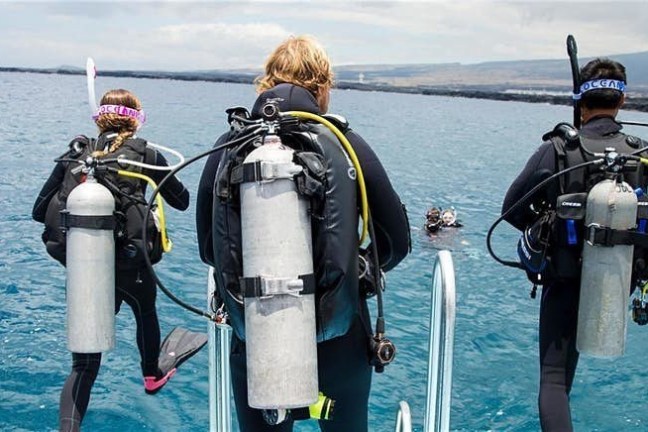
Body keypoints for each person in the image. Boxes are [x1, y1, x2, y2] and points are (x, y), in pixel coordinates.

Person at [196, 35, 410, 432]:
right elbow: (397, 241)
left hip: (258, 334)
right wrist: (353, 266)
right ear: (323, 87)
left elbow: (210, 249)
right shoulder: (345, 142)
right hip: (340, 338)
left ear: (266, 83)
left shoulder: (230, 145)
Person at [32, 89, 199, 431]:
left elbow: (39, 211)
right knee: (145, 313)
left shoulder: (78, 155)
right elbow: (181, 201)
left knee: (84, 365)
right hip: (130, 264)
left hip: (84, 267)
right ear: (136, 119)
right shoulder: (145, 154)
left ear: (100, 119)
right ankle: (151, 374)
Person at [501, 58, 647, 431]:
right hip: (618, 279)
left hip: (564, 279)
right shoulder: (640, 153)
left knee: (553, 380)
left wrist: (548, 221)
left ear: (581, 103)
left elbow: (511, 209)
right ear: (622, 102)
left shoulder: (558, 149)